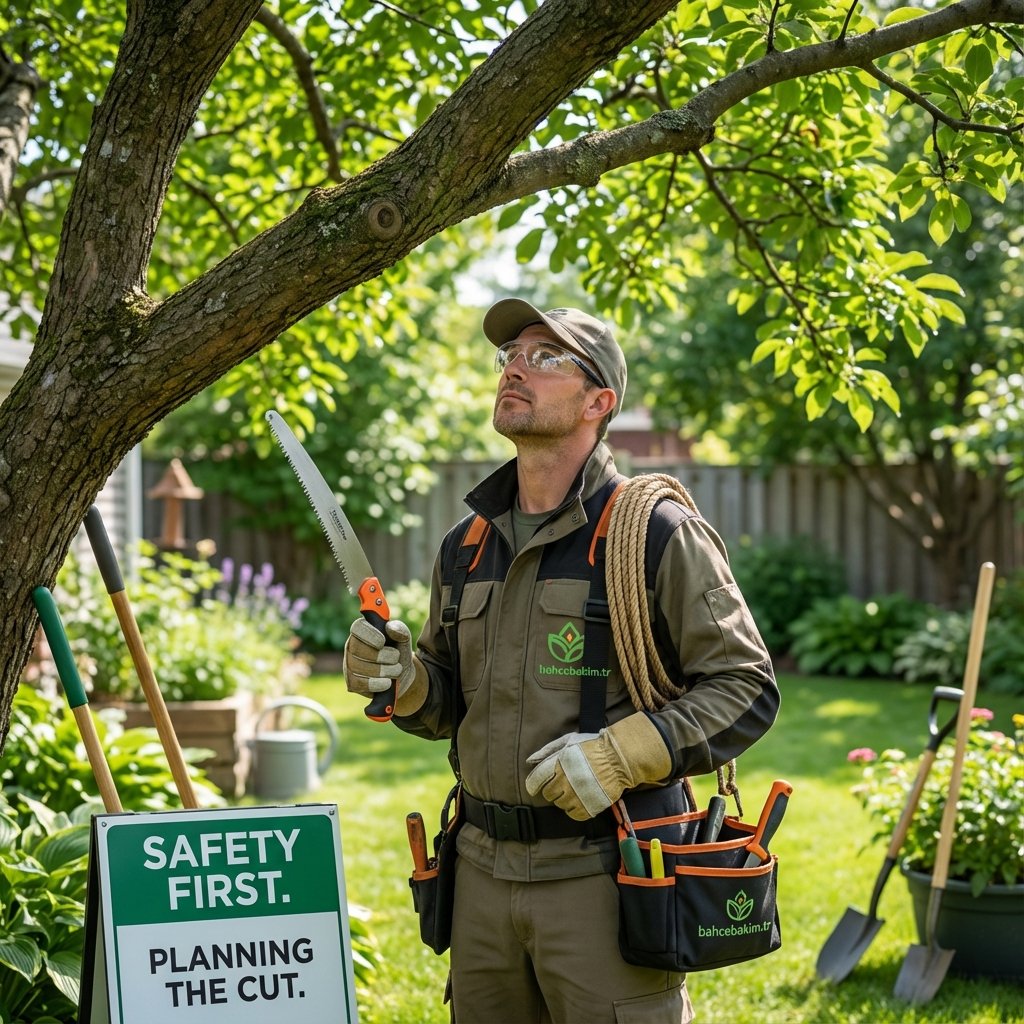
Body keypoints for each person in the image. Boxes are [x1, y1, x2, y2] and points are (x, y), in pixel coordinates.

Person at [344, 298, 779, 1023]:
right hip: (479, 874)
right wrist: (404, 679)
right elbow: (447, 699)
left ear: (598, 401)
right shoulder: (466, 545)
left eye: (546, 358)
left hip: (605, 873)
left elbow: (746, 687)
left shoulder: (655, 531)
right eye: (511, 355)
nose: (516, 366)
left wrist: (622, 755)